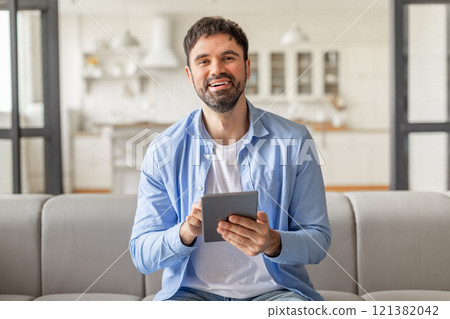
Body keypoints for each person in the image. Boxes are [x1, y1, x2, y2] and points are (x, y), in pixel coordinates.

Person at [129, 16, 331, 301]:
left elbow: (318, 241)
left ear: (247, 67)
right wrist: (184, 233)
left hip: (276, 294)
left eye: (228, 57)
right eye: (203, 61)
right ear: (190, 75)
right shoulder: (163, 150)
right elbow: (141, 254)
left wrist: (273, 241)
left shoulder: (295, 140)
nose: (217, 70)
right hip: (190, 296)